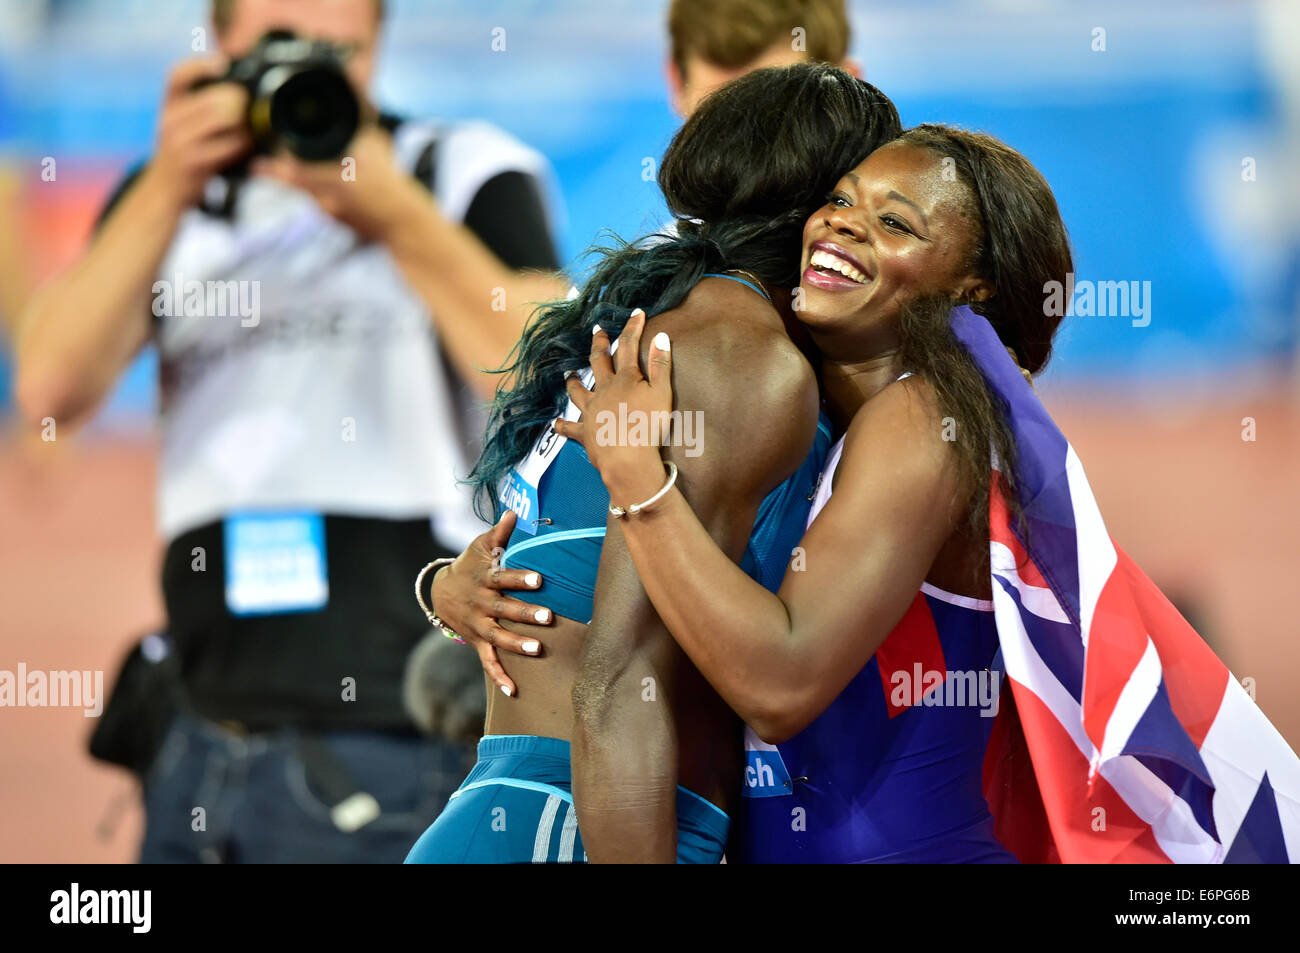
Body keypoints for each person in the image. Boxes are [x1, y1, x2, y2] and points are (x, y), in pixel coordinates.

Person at [14, 0, 566, 863]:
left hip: (400, 720)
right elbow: (48, 388)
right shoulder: (172, 196)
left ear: (377, 45)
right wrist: (165, 182)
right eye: (278, 47)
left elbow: (539, 371)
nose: (305, 75)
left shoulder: (454, 167)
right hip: (200, 729)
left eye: (334, 52)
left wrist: (392, 211)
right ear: (221, 45)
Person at [405, 65, 901, 863]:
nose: (872, 228)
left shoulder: (668, 320)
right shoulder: (744, 361)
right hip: (590, 825)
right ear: (819, 217)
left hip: (535, 813)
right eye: (863, 204)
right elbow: (618, 682)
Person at [550, 125, 1074, 862]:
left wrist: (638, 478)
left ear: (971, 286)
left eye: (895, 222)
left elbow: (781, 684)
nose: (840, 222)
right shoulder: (829, 431)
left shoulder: (929, 417)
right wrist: (452, 590)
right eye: (837, 199)